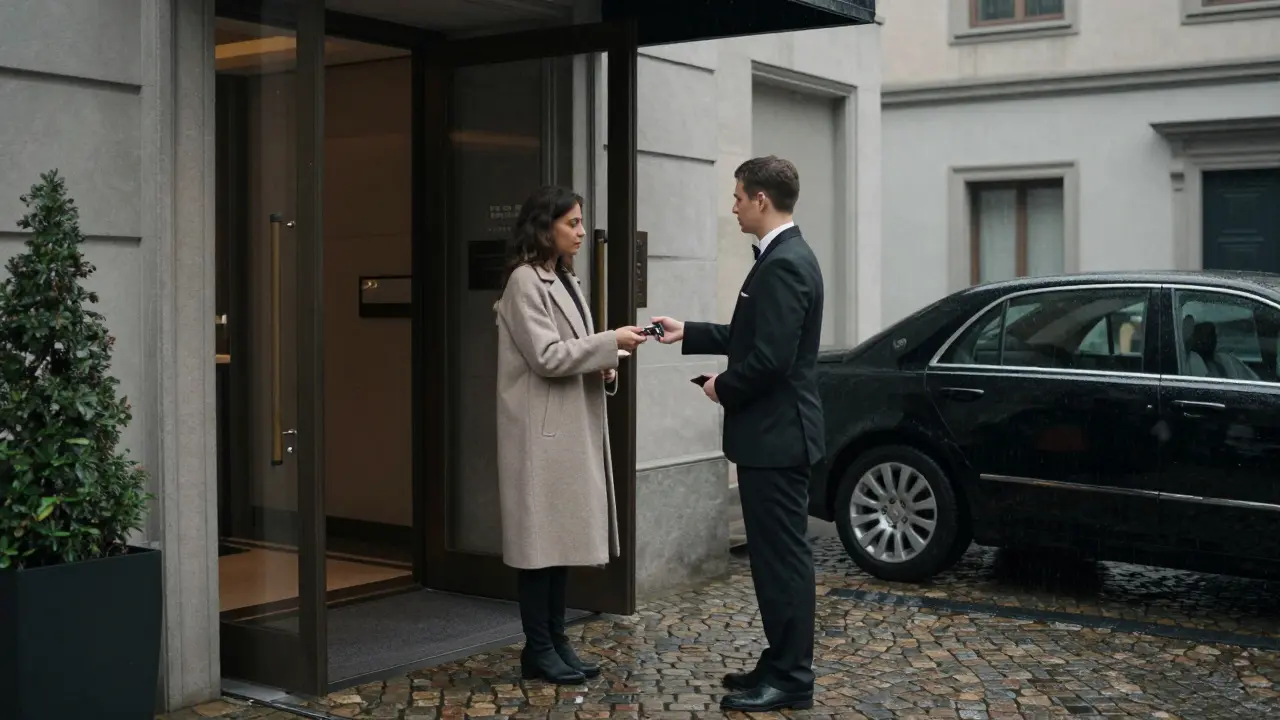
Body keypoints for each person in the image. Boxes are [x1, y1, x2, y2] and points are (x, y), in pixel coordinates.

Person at [651, 156, 825, 713]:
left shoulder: (786, 264)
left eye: (737, 197)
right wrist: (691, 333)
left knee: (782, 561)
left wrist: (722, 387)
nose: (732, 207)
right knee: (775, 560)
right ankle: (779, 662)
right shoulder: (781, 258)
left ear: (760, 200)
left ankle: (792, 676)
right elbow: (754, 334)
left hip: (777, 438)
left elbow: (771, 360)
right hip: (772, 437)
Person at [494, 185, 649, 685]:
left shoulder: (562, 279)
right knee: (540, 549)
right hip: (542, 435)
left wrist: (607, 366)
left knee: (555, 545)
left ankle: (555, 642)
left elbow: (572, 351)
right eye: (573, 223)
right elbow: (546, 356)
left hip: (563, 428)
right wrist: (610, 343)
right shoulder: (525, 281)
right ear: (546, 227)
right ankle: (539, 648)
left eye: (581, 223)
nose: (582, 232)